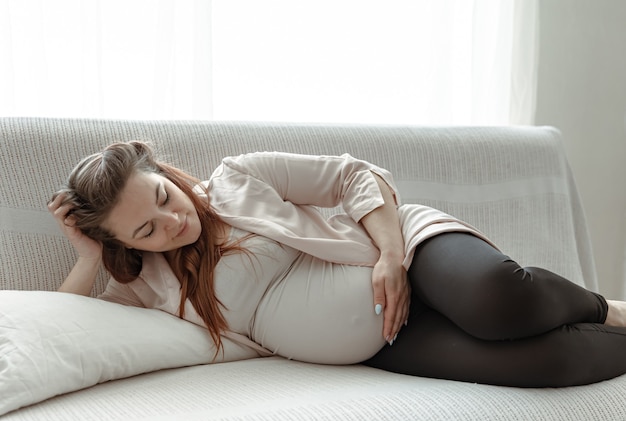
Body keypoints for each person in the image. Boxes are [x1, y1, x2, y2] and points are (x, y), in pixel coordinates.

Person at [49, 141, 626, 388]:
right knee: (543, 363)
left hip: (407, 252)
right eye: (147, 230)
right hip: (390, 338)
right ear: (128, 246)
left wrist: (392, 260)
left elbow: (355, 174)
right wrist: (87, 257)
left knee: (500, 300)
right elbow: (71, 326)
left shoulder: (237, 177)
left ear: (164, 175)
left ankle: (608, 308)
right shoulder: (150, 287)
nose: (171, 222)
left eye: (164, 199)